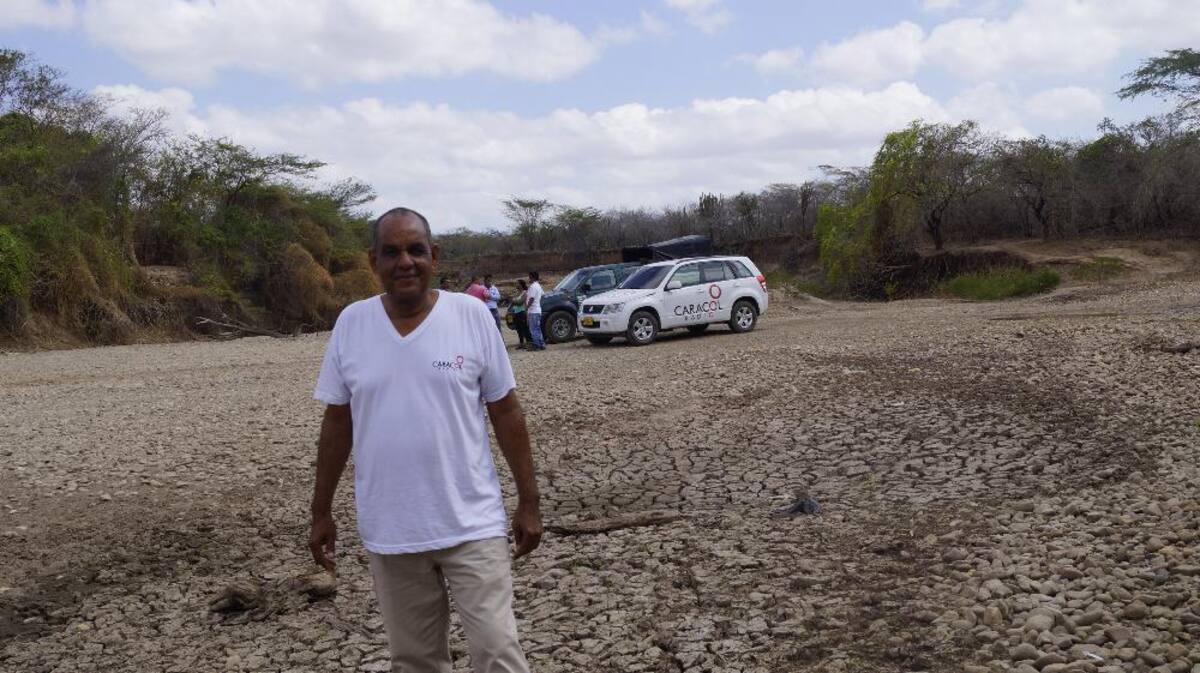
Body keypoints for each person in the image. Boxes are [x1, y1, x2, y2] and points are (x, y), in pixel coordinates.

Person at [309, 207, 542, 673]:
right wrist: (320, 511)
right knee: (415, 661)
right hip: (392, 530)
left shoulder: (471, 316)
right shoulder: (352, 325)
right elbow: (338, 424)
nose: (405, 262)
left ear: (433, 256)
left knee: (498, 652)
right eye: (391, 252)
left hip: (472, 523)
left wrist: (529, 500)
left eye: (416, 250)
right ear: (373, 261)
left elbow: (506, 410)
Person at [525, 271, 545, 351]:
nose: (528, 279)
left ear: (532, 277)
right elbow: (543, 295)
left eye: (529, 277)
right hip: (537, 309)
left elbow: (531, 298)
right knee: (537, 328)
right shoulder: (538, 286)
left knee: (533, 329)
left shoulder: (533, 286)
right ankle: (541, 344)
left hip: (533, 311)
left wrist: (527, 307)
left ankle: (536, 345)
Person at [510, 279, 530, 350]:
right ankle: (521, 343)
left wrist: (513, 301)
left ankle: (528, 343)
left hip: (522, 312)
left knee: (524, 329)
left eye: (517, 283)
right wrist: (514, 301)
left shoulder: (525, 293)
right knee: (519, 329)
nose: (516, 285)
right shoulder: (517, 292)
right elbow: (514, 301)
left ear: (521, 285)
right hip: (516, 313)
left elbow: (520, 302)